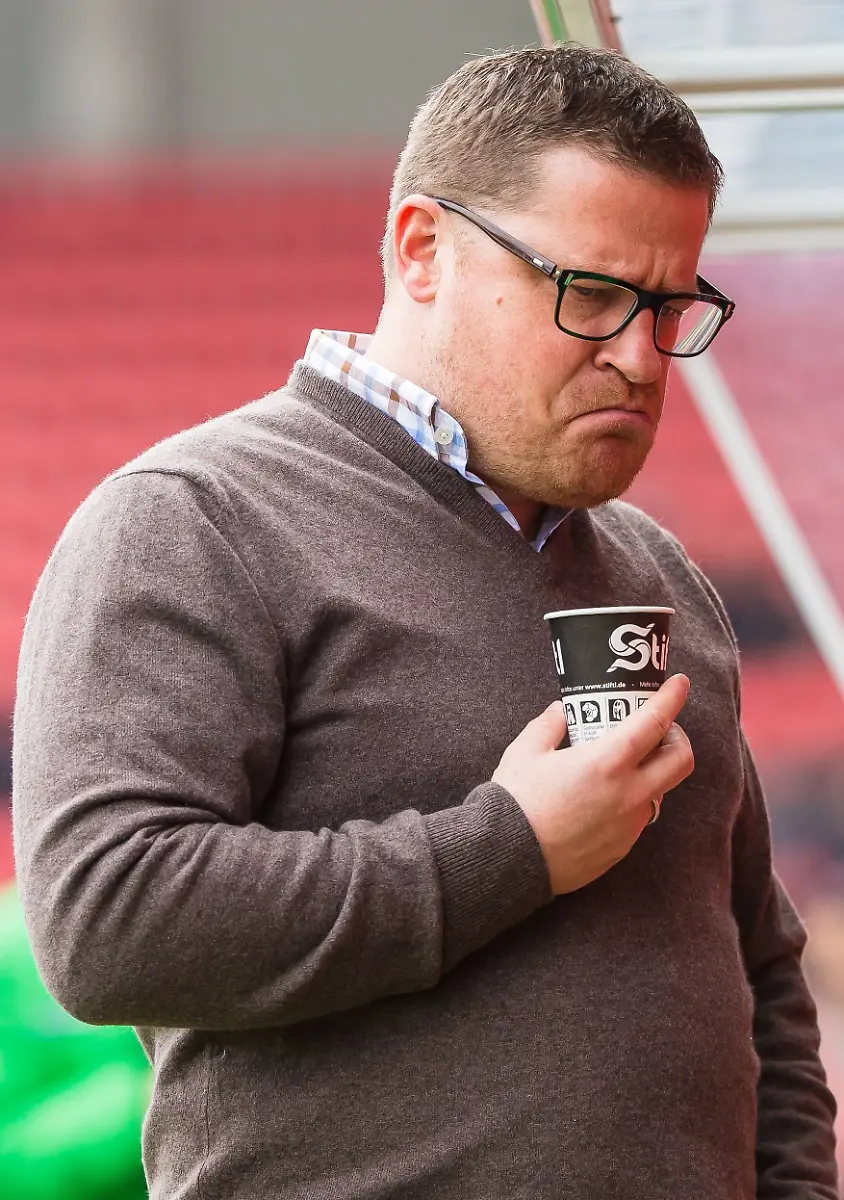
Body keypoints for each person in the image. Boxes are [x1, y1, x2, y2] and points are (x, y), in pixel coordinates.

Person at [12, 44, 838, 1200]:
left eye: (668, 307)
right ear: (421, 249)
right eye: (591, 294)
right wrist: (509, 848)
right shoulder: (193, 521)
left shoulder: (660, 572)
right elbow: (107, 923)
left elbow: (758, 981)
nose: (640, 357)